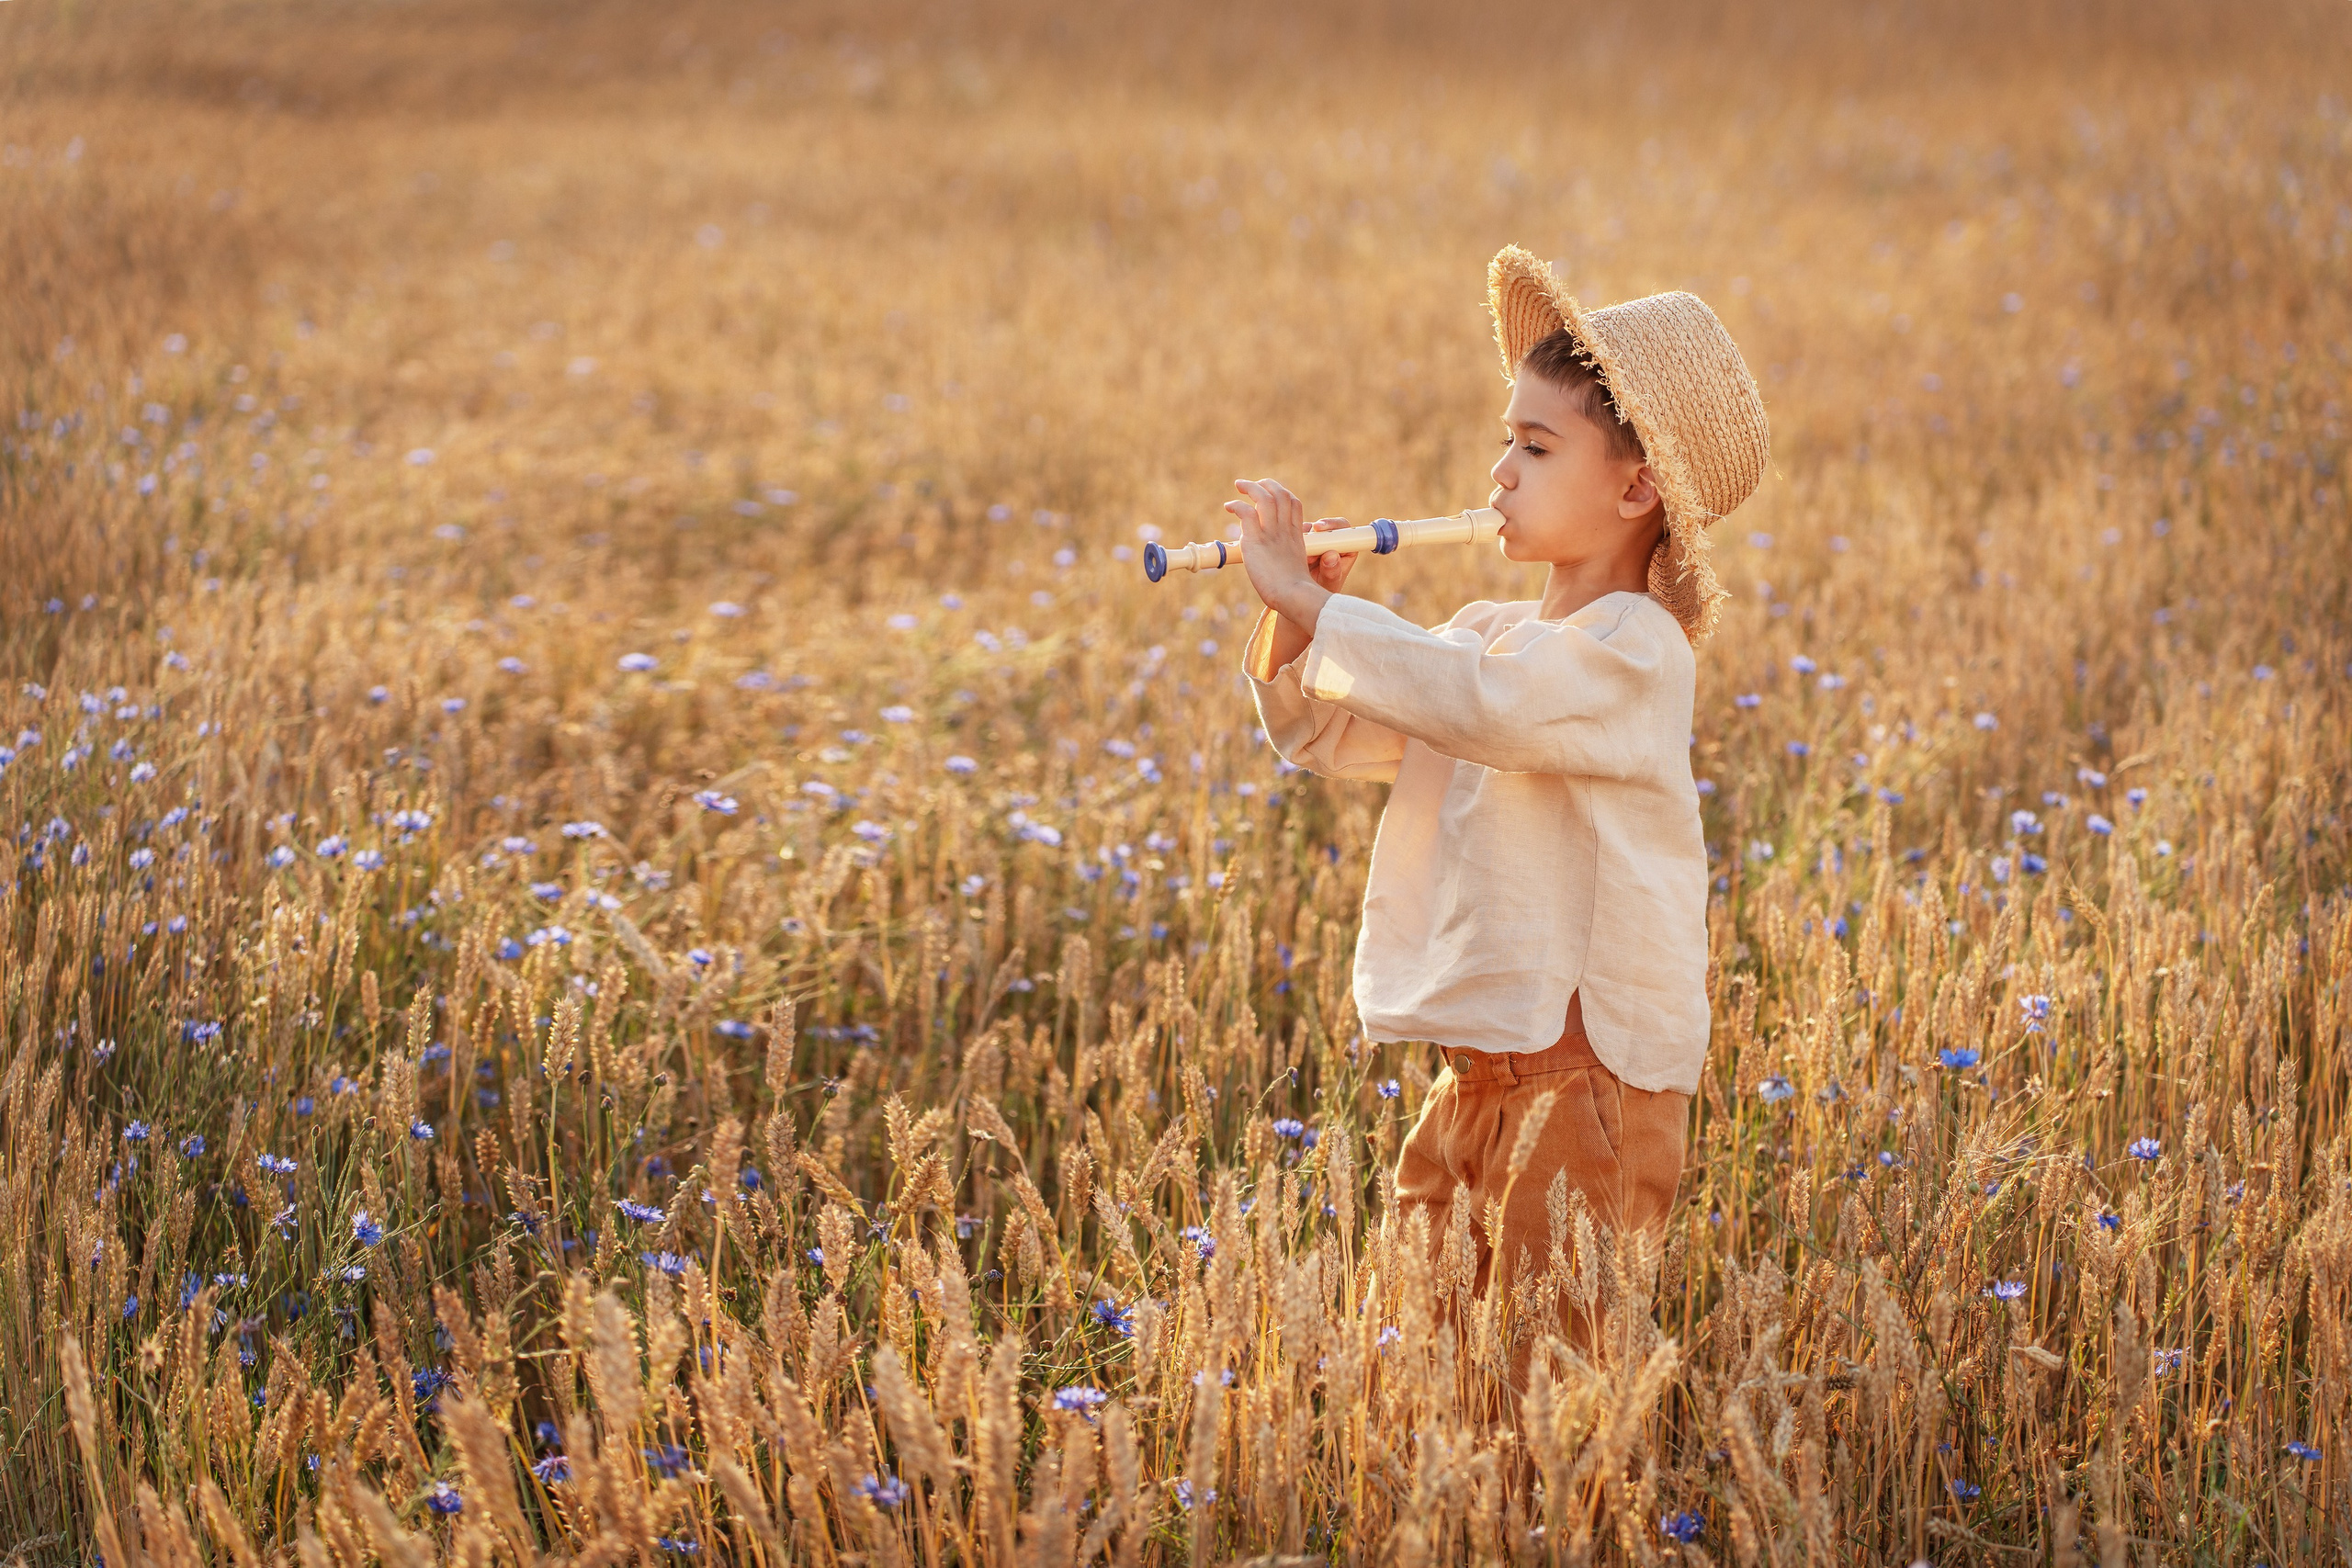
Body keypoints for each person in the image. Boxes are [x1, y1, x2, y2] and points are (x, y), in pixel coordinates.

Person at [1233, 245, 1770, 1374]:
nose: (1499, 472)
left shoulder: (1633, 649)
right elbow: (1328, 733)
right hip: (1477, 1066)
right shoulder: (1486, 635)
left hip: (1586, 1082)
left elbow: (1490, 707)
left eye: (1534, 447)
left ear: (1635, 490)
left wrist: (1323, 614)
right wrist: (1296, 618)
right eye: (1504, 439)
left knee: (1545, 1384)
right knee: (1427, 1368)